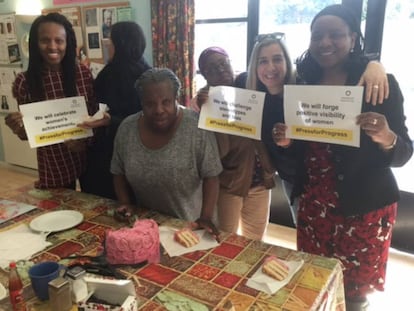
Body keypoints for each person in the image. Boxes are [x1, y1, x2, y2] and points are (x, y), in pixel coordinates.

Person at [274, 5, 413, 310]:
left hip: (363, 210)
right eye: (317, 35)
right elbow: (303, 149)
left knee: (354, 293)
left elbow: (403, 152)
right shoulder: (303, 85)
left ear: (353, 38)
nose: (325, 42)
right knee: (316, 279)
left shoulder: (378, 84)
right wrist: (287, 141)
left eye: (335, 35)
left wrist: (385, 136)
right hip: (315, 206)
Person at [111, 68, 223, 240]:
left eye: (166, 102)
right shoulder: (127, 128)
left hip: (192, 226)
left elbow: (212, 176)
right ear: (141, 102)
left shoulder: (196, 128)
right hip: (146, 226)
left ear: (176, 98)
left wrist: (205, 217)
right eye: (150, 104)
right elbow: (118, 171)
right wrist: (125, 202)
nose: (159, 110)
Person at [4, 13, 98, 190]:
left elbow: (95, 117)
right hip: (54, 164)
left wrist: (84, 142)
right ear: (35, 44)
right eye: (45, 40)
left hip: (89, 159)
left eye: (59, 40)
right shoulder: (25, 82)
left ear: (67, 43)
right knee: (61, 212)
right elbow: (28, 134)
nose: (52, 46)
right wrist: (18, 127)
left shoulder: (83, 74)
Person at [193, 47, 276, 241]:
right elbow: (216, 153)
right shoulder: (206, 102)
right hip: (229, 183)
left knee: (255, 240)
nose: (221, 70)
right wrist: (206, 110)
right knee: (224, 237)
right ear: (205, 75)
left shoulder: (251, 84)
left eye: (224, 63)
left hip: (261, 180)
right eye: (212, 69)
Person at [80, 21, 151, 199]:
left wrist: (110, 119)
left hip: (111, 148)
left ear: (119, 44)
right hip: (144, 147)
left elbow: (99, 111)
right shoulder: (149, 72)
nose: (108, 46)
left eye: (110, 42)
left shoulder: (110, 75)